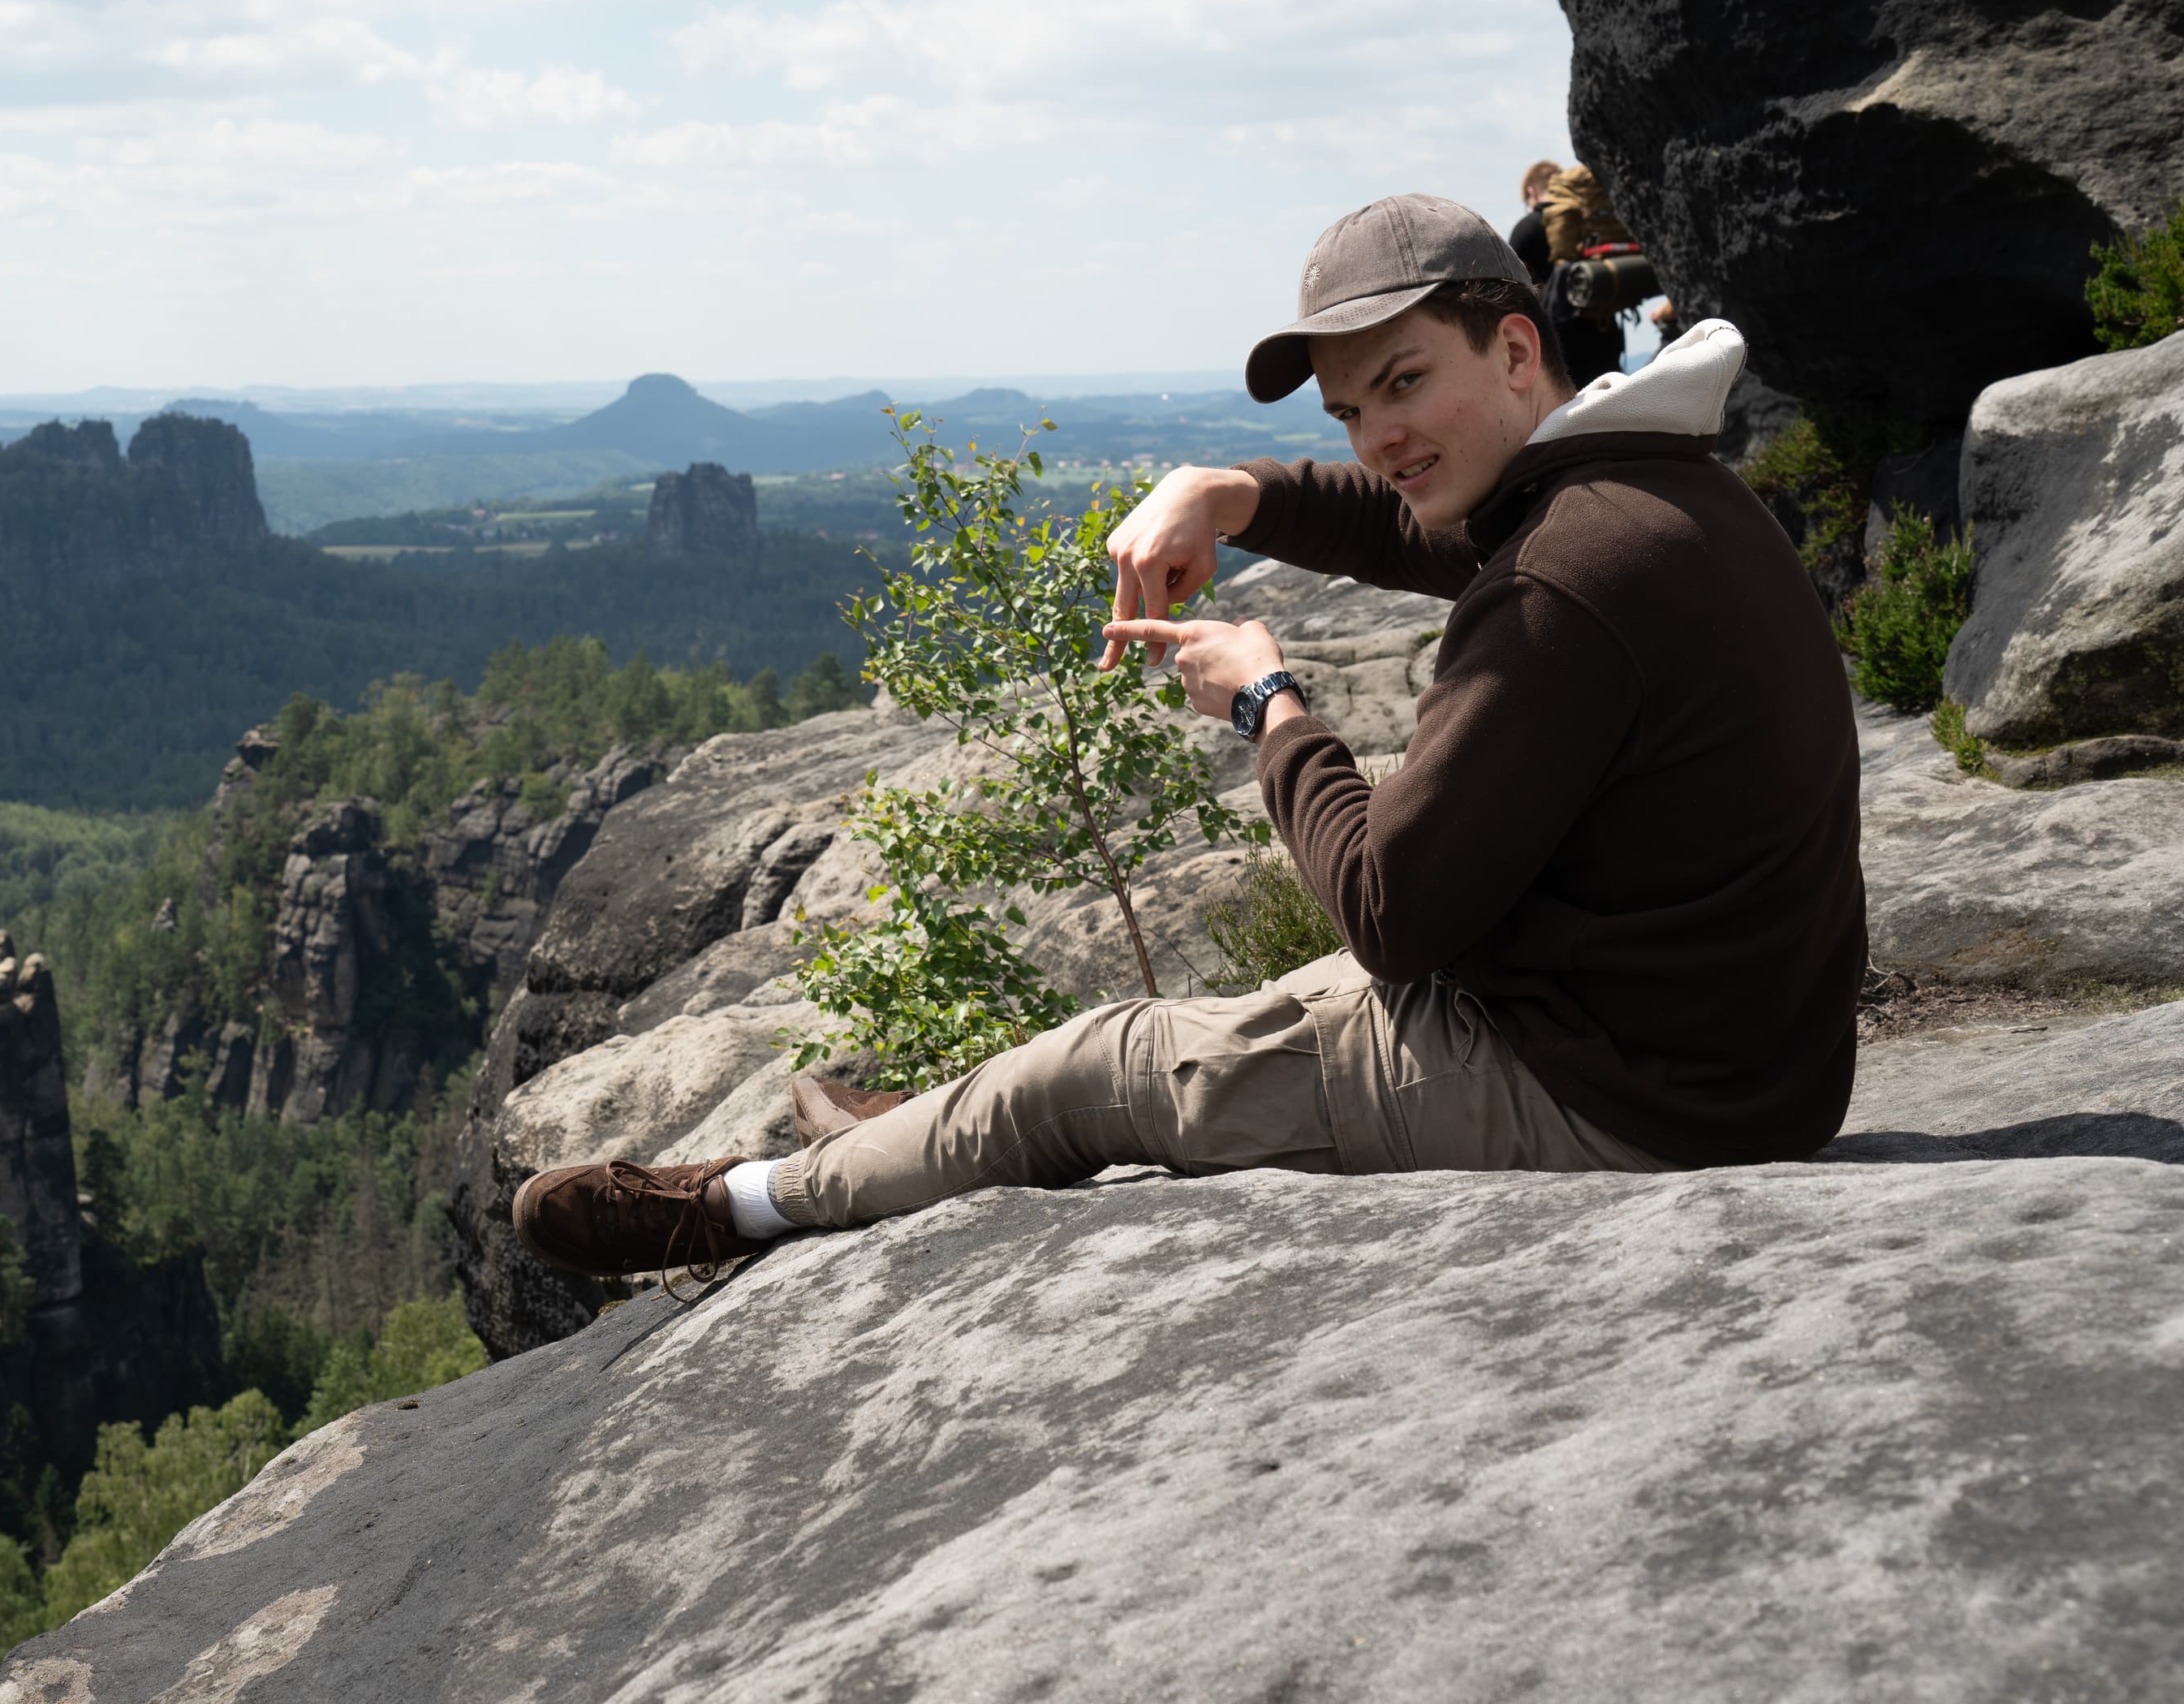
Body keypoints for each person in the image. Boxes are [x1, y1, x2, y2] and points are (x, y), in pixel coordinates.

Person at [510, 192, 1863, 1282]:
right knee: (1144, 1054)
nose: (1379, 438)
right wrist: (1236, 492)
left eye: (1404, 384)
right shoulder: (1644, 491)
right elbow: (1423, 519)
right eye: (1348, 413)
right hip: (1723, 1059)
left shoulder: (1565, 578)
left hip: (1624, 1102)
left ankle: (745, 1206)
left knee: (1105, 1066)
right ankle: (939, 1136)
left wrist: (1269, 704)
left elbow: (1390, 911)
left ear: (1516, 349)